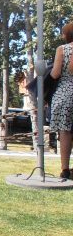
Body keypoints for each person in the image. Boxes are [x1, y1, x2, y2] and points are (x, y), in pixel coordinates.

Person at [50, 22, 73, 179]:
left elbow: (56, 74)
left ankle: (65, 169)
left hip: (66, 94)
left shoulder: (62, 49)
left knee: (65, 133)